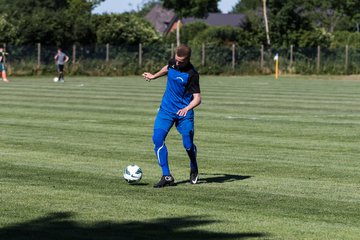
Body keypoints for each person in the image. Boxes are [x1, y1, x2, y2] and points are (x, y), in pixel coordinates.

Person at [142, 44, 202, 188]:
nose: (177, 63)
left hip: (184, 113)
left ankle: (193, 165)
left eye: (180, 61)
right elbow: (167, 68)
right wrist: (154, 76)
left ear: (187, 60)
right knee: (157, 139)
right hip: (166, 110)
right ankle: (167, 176)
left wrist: (187, 108)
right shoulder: (173, 62)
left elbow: (197, 98)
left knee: (188, 144)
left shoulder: (192, 74)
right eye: (176, 59)